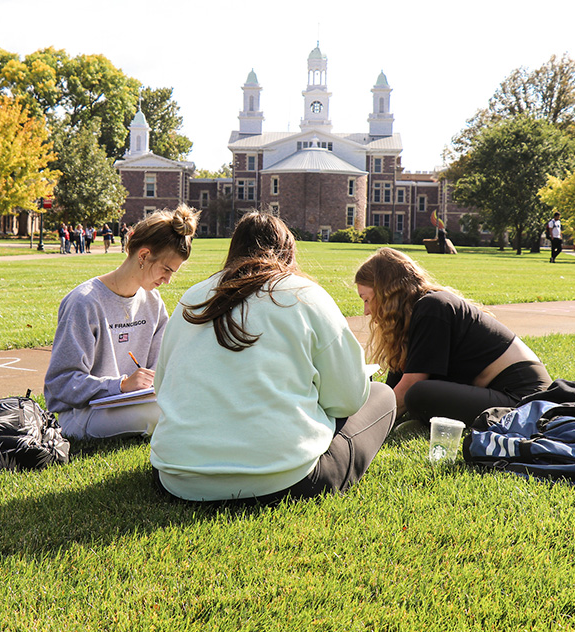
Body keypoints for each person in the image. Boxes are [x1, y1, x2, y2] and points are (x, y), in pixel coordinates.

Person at [150, 212, 396, 504]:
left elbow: (162, 387)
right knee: (382, 395)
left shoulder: (193, 298)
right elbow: (348, 399)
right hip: (284, 480)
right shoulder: (306, 296)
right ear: (288, 251)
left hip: (176, 476)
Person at [43, 203, 200, 440]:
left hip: (135, 405)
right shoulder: (84, 302)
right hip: (83, 413)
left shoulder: (153, 302)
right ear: (144, 255)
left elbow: (161, 368)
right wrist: (122, 386)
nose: (167, 280)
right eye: (166, 270)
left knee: (191, 400)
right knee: (165, 413)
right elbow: (61, 384)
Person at [354, 247, 552, 426]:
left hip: (524, 398)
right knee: (408, 395)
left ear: (387, 294)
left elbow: (410, 386)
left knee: (418, 394)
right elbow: (394, 388)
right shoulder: (412, 316)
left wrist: (364, 426)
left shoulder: (432, 307)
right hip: (501, 394)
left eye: (367, 300)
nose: (366, 311)